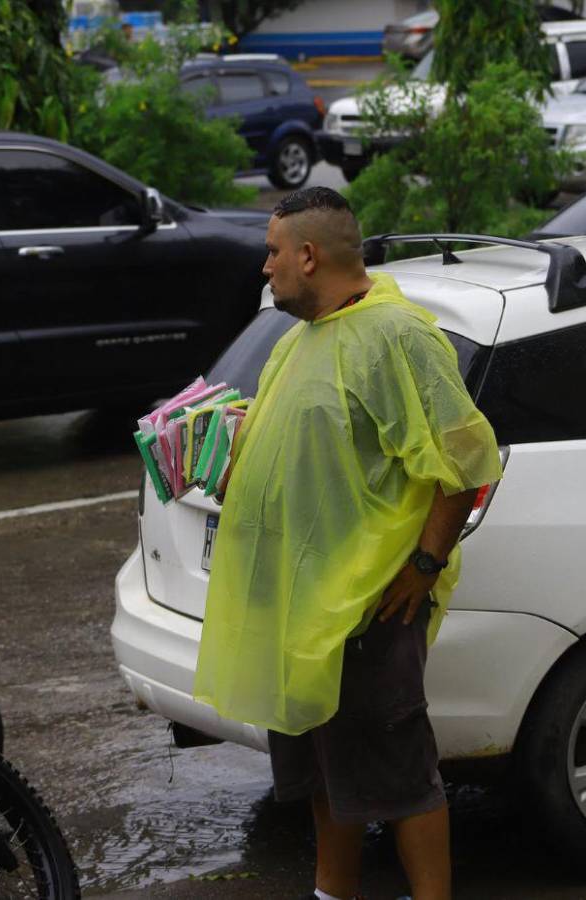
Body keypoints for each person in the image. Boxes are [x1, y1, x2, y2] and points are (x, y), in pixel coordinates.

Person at [194, 187, 502, 900]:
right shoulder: (300, 340)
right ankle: (333, 893)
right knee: (323, 770)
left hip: (368, 606)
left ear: (308, 255)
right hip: (305, 613)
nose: (265, 269)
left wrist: (424, 565)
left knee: (395, 772)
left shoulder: (396, 337)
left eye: (272, 253)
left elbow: (462, 464)